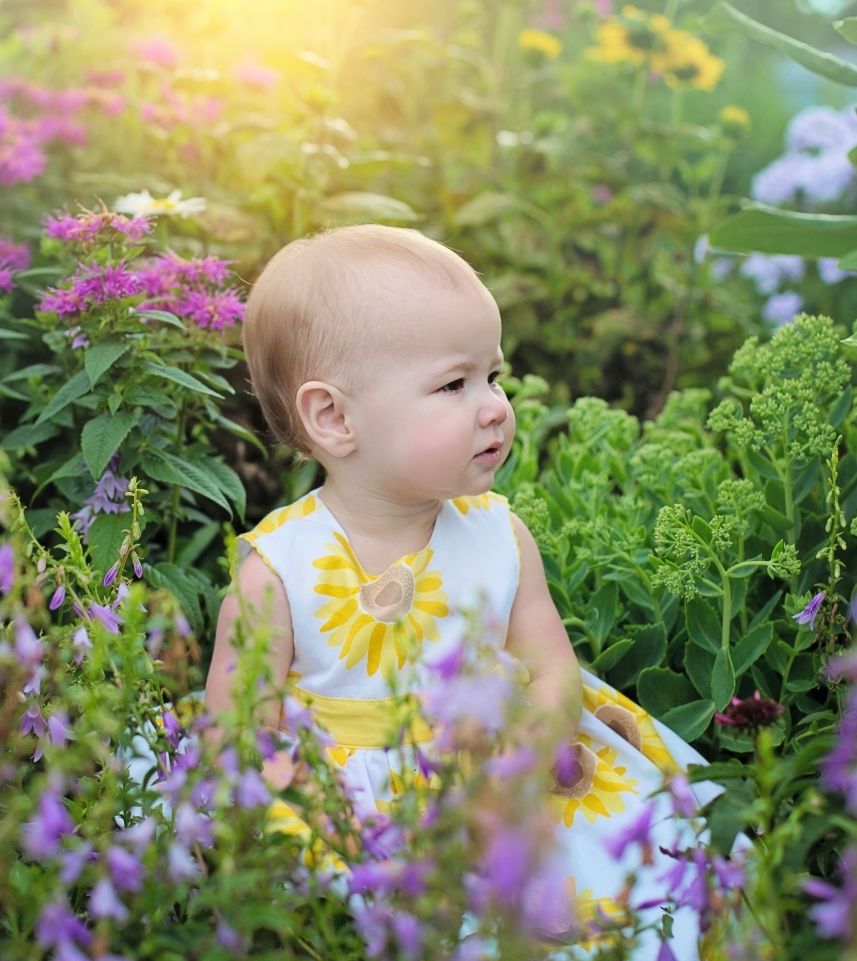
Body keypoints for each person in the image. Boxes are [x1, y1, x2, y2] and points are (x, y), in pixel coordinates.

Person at [204, 224, 718, 960]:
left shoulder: (499, 535)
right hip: (353, 801)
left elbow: (551, 668)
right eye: (454, 384)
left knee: (641, 883)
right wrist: (317, 817)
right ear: (335, 418)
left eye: (494, 377)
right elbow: (237, 732)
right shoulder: (276, 571)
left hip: (504, 773)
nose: (494, 407)